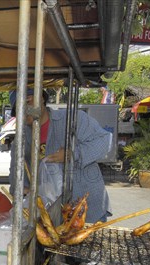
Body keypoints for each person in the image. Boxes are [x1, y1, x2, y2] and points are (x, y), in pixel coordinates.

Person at [9, 88, 111, 223]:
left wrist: (72, 154)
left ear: (42, 98)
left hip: (86, 208)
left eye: (28, 101)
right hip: (51, 215)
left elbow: (105, 141)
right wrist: (22, 189)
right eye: (18, 108)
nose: (25, 109)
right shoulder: (21, 137)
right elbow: (16, 172)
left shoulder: (72, 119)